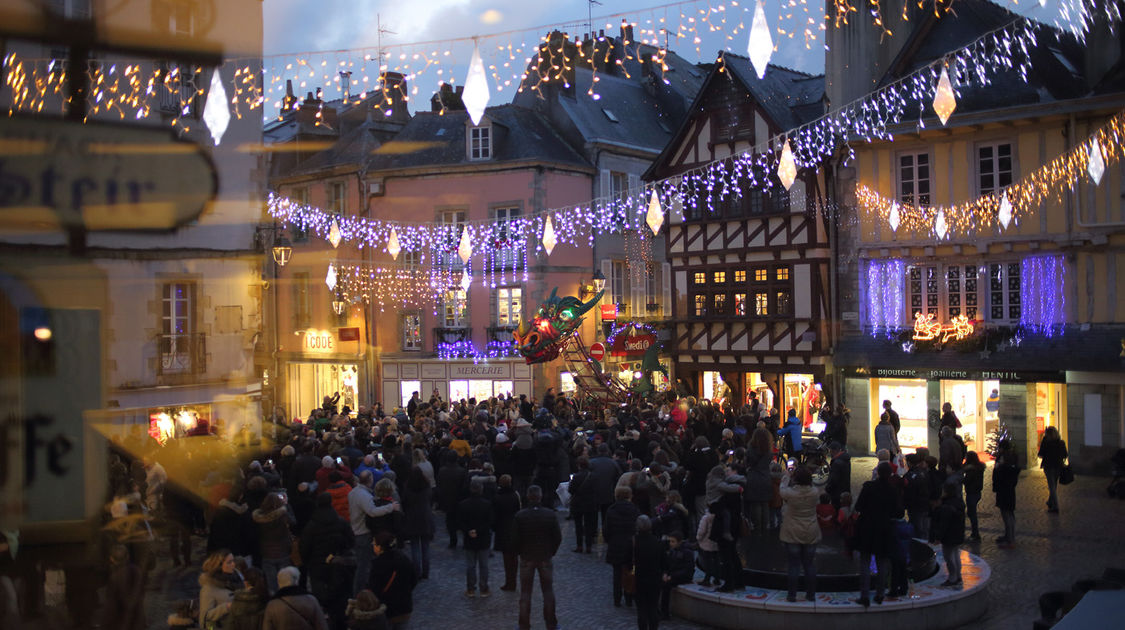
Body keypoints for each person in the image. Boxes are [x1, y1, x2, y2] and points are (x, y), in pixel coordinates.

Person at [511, 485, 562, 630]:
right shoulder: (549, 515)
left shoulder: (520, 516)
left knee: (525, 592)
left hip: (527, 557)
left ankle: (524, 624)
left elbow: (514, 539)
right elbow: (557, 537)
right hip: (545, 556)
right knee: (548, 591)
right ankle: (551, 623)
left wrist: (521, 552)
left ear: (528, 496)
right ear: (540, 497)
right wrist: (550, 552)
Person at [301, 493, 355, 629]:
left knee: (322, 600)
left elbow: (304, 547)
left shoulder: (311, 526)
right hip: (338, 564)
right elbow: (351, 541)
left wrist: (309, 562)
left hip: (317, 567)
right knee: (339, 596)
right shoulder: (340, 522)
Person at [854, 462, 900, 607]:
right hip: (884, 528)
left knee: (865, 562)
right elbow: (898, 512)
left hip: (867, 526)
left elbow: (858, 506)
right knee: (882, 562)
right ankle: (880, 593)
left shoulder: (869, 487)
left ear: (878, 473)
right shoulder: (893, 490)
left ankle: (865, 595)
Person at [349, 470, 398, 596]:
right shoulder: (364, 496)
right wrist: (390, 508)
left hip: (356, 530)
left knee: (362, 565)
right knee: (364, 567)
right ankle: (360, 595)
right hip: (363, 533)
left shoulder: (353, 492)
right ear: (370, 480)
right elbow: (372, 512)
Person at [779, 465, 821, 602]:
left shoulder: (790, 493)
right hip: (810, 529)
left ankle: (792, 595)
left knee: (793, 565)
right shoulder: (815, 492)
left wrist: (786, 476)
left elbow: (782, 489)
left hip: (792, 530)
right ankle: (811, 594)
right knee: (809, 564)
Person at [367, 531, 417, 630]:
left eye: (374, 544)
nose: (373, 546)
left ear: (380, 547)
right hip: (404, 607)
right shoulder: (404, 559)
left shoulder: (378, 565)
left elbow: (375, 588)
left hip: (387, 609)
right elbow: (413, 580)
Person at [458, 478, 494, 597]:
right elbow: (489, 522)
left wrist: (469, 530)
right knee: (484, 565)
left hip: (469, 538)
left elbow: (460, 522)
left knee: (470, 565)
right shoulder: (487, 504)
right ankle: (484, 588)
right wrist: (478, 530)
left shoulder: (463, 504)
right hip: (483, 538)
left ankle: (470, 589)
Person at [605, 485, 641, 606]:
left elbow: (606, 530)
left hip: (615, 544)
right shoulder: (634, 509)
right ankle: (629, 597)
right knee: (629, 571)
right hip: (630, 544)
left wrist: (609, 540)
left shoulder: (611, 510)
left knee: (617, 573)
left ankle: (617, 598)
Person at [253, 492, 296, 593]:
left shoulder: (259, 518)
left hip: (267, 553)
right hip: (283, 551)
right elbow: (293, 522)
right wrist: (286, 506)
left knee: (271, 584)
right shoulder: (283, 515)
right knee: (285, 582)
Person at [263, 566, 329, 630]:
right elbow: (321, 626)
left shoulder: (272, 605)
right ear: (297, 580)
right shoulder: (311, 600)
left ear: (279, 582)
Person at [633, 515, 668, 630]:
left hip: (639, 579)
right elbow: (664, 563)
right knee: (653, 607)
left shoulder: (634, 542)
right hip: (654, 579)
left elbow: (627, 560)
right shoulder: (658, 543)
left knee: (641, 608)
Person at [101, 544, 145, 630]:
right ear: (127, 556)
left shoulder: (115, 577)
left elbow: (111, 605)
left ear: (111, 559)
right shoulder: (137, 571)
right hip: (137, 619)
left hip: (122, 622)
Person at [401, 467, 434, 580]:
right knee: (425, 547)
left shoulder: (407, 487)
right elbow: (430, 499)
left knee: (415, 547)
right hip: (425, 517)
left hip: (412, 518)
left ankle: (417, 572)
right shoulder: (427, 486)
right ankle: (426, 572)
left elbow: (404, 502)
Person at [931, 485, 966, 588]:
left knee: (949, 557)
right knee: (955, 555)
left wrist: (938, 537)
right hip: (958, 533)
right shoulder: (959, 502)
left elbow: (943, 524)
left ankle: (953, 577)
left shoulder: (946, 506)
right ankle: (958, 576)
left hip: (950, 535)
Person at [493, 474, 523, 591]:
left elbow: (495, 514)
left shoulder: (497, 497)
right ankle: (513, 581)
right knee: (514, 558)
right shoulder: (515, 495)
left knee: (506, 558)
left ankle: (509, 581)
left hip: (502, 529)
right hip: (514, 528)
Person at [199, 550, 242, 630]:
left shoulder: (238, 577)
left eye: (233, 561)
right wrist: (226, 607)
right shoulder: (209, 588)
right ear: (219, 566)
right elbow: (205, 620)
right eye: (229, 562)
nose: (233, 564)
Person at [660, 531, 695, 619]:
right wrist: (665, 573)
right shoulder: (672, 551)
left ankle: (665, 613)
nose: (671, 544)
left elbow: (687, 570)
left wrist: (672, 576)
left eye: (673, 541)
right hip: (673, 574)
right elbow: (667, 565)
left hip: (683, 576)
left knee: (666, 585)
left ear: (679, 542)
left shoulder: (687, 552)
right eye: (670, 541)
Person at [993, 439, 1020, 548]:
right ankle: (1008, 536)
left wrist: (999, 467)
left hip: (1004, 489)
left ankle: (1010, 539)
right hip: (1008, 489)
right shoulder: (1012, 457)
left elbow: (1000, 473)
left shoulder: (1004, 460)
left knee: (1007, 513)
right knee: (1009, 513)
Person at [569, 456, 599, 553]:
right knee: (589, 525)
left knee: (578, 525)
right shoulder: (593, 476)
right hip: (590, 503)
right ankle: (589, 546)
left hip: (578, 503)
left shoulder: (576, 476)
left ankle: (579, 545)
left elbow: (570, 490)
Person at [1038, 426, 1068, 514]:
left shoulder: (1046, 442)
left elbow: (1040, 454)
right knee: (1054, 485)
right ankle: (1050, 501)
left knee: (1052, 486)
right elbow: (1065, 455)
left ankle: (1055, 506)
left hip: (1048, 466)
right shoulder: (1061, 443)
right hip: (1058, 466)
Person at [695, 503, 721, 587]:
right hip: (716, 543)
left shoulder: (706, 518)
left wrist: (698, 538)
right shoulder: (719, 517)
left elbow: (701, 531)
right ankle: (717, 579)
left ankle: (707, 579)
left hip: (706, 543)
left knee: (707, 562)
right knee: (716, 561)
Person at [962, 451, 985, 541]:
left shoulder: (972, 470)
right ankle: (975, 533)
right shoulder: (979, 467)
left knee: (972, 513)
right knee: (972, 512)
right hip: (977, 492)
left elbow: (966, 480)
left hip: (971, 492)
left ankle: (975, 534)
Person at [825, 442, 851, 508]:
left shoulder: (837, 463)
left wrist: (828, 488)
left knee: (837, 509)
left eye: (829, 450)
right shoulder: (845, 459)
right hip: (845, 489)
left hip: (837, 493)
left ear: (833, 450)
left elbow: (834, 479)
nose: (829, 453)